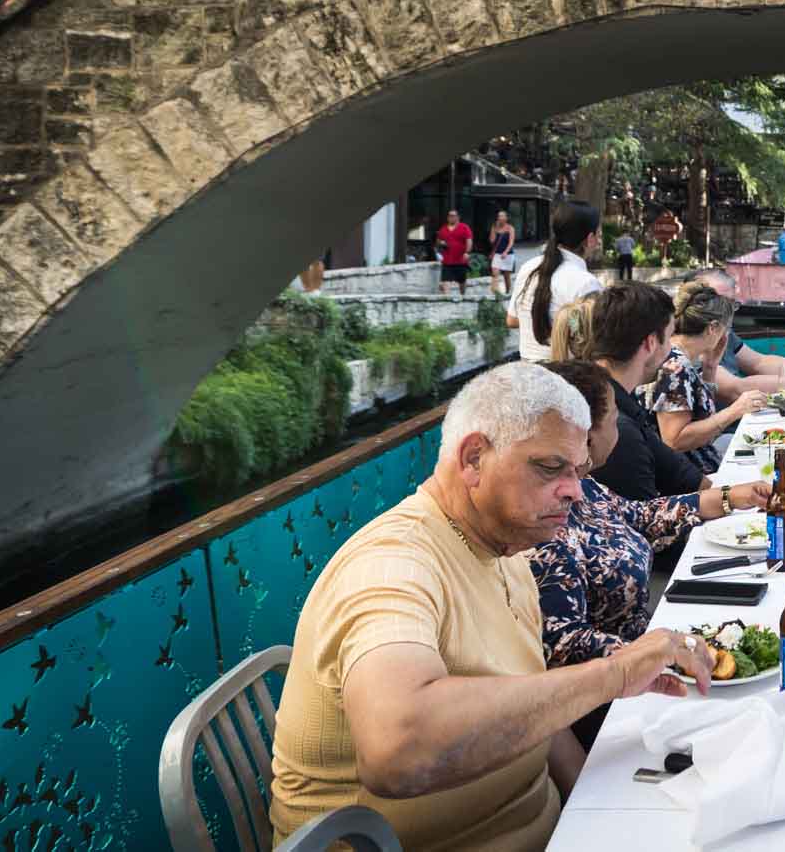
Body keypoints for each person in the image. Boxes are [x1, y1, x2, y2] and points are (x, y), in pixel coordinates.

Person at [267, 362, 718, 848]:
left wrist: (598, 811)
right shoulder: (391, 566)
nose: (573, 489)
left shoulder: (507, 550)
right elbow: (397, 747)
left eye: (579, 470)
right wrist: (616, 673)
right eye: (550, 468)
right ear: (474, 457)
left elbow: (538, 718)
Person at [532, 360, 773, 749]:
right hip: (612, 703)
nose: (621, 425)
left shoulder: (584, 486)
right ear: (586, 434)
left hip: (648, 662)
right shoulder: (544, 522)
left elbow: (639, 516)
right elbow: (562, 646)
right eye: (614, 414)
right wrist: (659, 653)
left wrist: (730, 498)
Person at [583, 283, 706, 503]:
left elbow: (683, 475)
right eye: (668, 339)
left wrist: (729, 496)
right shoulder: (615, 426)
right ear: (650, 343)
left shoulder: (617, 399)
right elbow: (645, 522)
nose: (671, 349)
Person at [651, 281, 768, 473]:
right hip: (691, 473)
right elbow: (674, 440)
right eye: (725, 329)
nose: (726, 335)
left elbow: (701, 417)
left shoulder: (680, 358)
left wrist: (710, 368)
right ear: (713, 328)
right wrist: (735, 410)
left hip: (702, 459)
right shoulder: (676, 367)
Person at [692, 268, 785, 403]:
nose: (727, 311)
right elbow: (736, 389)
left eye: (730, 303)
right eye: (719, 302)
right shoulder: (692, 343)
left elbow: (758, 363)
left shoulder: (724, 332)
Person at [509, 200, 605, 361]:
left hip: (526, 370)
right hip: (565, 374)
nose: (599, 241)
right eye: (599, 235)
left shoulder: (529, 268)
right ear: (589, 239)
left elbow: (512, 320)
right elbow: (584, 335)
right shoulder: (585, 283)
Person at [437, 210, 474, 296]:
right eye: (449, 216)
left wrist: (467, 252)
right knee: (445, 280)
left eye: (453, 216)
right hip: (447, 260)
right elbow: (438, 240)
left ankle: (463, 296)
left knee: (462, 281)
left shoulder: (464, 227)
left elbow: (469, 241)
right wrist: (441, 243)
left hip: (460, 260)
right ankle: (446, 299)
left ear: (458, 217)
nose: (451, 217)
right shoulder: (443, 229)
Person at [488, 211, 517, 297]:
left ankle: (508, 292)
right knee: (495, 273)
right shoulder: (495, 227)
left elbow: (511, 242)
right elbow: (492, 241)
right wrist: (493, 229)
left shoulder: (510, 228)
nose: (500, 218)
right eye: (499, 216)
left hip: (508, 255)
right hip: (497, 254)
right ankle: (495, 292)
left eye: (502, 216)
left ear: (506, 218)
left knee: (506, 275)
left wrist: (505, 252)